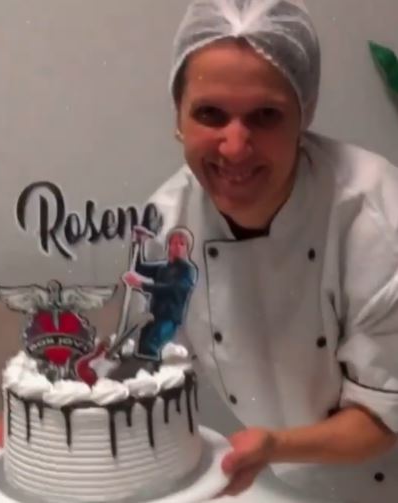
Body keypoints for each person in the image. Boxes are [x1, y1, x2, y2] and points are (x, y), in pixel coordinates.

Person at [143, 0, 398, 500]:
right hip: (283, 481)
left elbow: (385, 415)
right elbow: (149, 366)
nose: (235, 147)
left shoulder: (377, 219)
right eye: (210, 114)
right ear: (178, 117)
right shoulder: (166, 226)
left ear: (304, 115)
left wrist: (275, 446)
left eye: (265, 116)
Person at [123, 227, 198, 361]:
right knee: (142, 347)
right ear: (169, 246)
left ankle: (154, 369)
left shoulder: (188, 270)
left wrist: (141, 284)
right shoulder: (162, 268)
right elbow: (139, 267)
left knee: (150, 345)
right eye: (174, 243)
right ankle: (144, 371)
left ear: (187, 249)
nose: (177, 247)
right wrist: (138, 243)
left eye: (182, 244)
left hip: (169, 319)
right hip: (153, 316)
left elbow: (174, 288)